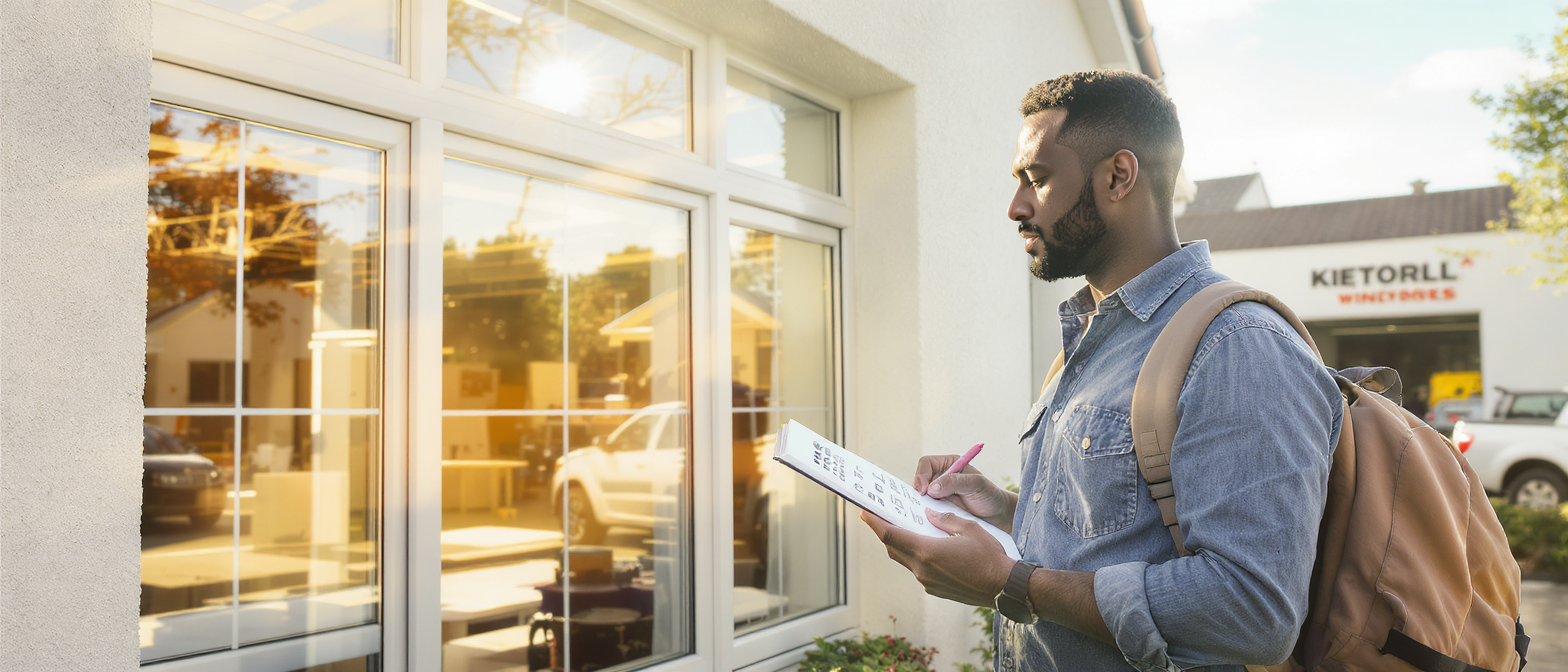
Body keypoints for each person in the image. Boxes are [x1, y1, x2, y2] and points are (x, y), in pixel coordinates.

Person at [859, 71, 1344, 671]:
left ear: (1118, 176)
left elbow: (1251, 612)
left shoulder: (1239, 347)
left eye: (1036, 179)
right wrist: (1007, 510)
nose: (1016, 207)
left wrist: (1011, 583)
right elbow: (1116, 535)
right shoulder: (1091, 337)